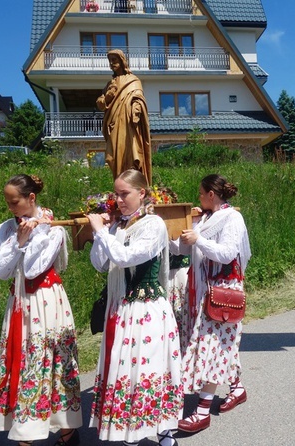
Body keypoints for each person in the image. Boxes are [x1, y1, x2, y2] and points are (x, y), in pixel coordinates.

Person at [87, 169, 183, 446]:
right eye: (115, 194)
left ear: (141, 193)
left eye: (124, 193)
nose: (118, 200)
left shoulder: (153, 224)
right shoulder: (119, 226)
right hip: (123, 308)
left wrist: (102, 234)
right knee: (126, 370)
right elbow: (101, 264)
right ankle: (130, 431)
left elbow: (128, 257)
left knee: (149, 368)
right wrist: (102, 234)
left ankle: (164, 432)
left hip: (147, 308)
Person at [0, 174, 82, 446]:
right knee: (23, 357)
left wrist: (31, 237)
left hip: (45, 300)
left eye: (14, 201)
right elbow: (0, 270)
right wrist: (18, 242)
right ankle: (25, 431)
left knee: (49, 357)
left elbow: (32, 269)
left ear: (31, 198)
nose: (10, 208)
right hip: (19, 301)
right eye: (7, 202)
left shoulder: (53, 229)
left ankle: (66, 429)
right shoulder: (8, 228)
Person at [170, 174, 252, 433]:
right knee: (220, 344)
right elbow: (185, 250)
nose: (198, 197)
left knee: (211, 345)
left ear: (211, 195)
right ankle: (237, 387)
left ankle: (202, 412)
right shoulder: (204, 219)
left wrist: (199, 239)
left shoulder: (232, 218)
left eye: (200, 193)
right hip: (204, 289)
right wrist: (168, 235)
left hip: (223, 290)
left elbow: (228, 253)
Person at [97, 49, 152, 185]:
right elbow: (100, 103)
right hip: (114, 123)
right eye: (110, 61)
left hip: (129, 123)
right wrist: (107, 98)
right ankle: (120, 185)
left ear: (122, 61)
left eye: (114, 60)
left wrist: (136, 108)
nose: (112, 64)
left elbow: (138, 97)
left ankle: (133, 184)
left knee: (131, 152)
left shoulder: (133, 80)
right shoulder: (110, 84)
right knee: (112, 157)